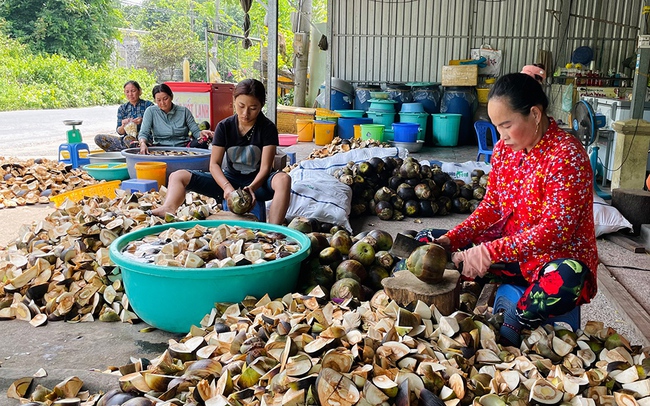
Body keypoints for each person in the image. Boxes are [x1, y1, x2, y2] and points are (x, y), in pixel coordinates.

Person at [418, 73, 598, 345]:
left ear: (535, 115)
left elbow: (555, 232)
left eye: (506, 125)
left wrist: (489, 252)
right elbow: (491, 207)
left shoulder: (566, 155)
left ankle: (517, 318)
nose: (501, 136)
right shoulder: (504, 150)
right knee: (429, 242)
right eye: (496, 126)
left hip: (554, 259)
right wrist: (452, 239)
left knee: (567, 278)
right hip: (511, 254)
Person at [150, 79, 291, 225]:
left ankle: (274, 230)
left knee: (283, 180)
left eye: (253, 108)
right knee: (177, 176)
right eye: (241, 106)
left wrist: (251, 188)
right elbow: (214, 164)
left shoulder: (267, 128)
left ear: (262, 105)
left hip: (258, 184)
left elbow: (265, 168)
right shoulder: (224, 126)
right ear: (234, 100)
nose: (245, 113)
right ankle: (168, 208)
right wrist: (226, 187)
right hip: (229, 180)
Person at [137, 83, 214, 154]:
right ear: (154, 100)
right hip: (160, 148)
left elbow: (195, 131)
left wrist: (202, 133)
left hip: (183, 147)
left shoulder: (184, 111)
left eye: (165, 98)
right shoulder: (150, 111)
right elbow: (144, 133)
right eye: (159, 100)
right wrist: (142, 143)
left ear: (171, 97)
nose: (162, 103)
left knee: (203, 141)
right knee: (136, 146)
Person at [94, 80, 154, 151]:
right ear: (124, 93)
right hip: (126, 141)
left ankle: (128, 151)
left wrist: (143, 121)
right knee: (99, 138)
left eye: (133, 91)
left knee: (129, 139)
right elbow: (119, 131)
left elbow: (157, 125)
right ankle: (128, 150)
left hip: (145, 139)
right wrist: (123, 126)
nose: (130, 94)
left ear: (139, 91)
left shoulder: (148, 105)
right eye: (127, 92)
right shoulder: (122, 108)